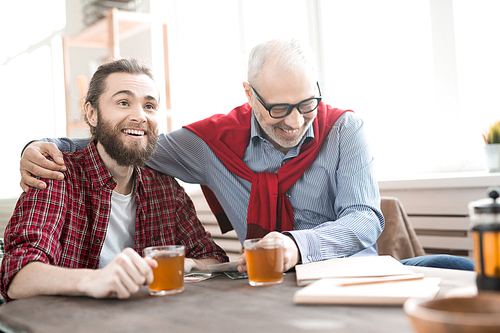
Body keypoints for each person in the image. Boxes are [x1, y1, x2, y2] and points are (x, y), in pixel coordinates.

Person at [18, 39, 473, 273]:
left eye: (306, 105)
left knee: (460, 270)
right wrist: (45, 146)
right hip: (266, 288)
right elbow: (130, 141)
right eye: (278, 110)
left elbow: (365, 218)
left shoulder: (344, 129)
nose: (295, 122)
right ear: (250, 96)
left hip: (348, 279)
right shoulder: (209, 143)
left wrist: (298, 245)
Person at [1, 59, 228, 302]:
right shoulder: (58, 175)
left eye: (149, 105)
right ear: (91, 113)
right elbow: (18, 275)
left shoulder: (165, 188)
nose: (140, 116)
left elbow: (214, 258)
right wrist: (93, 279)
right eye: (123, 102)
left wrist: (189, 263)